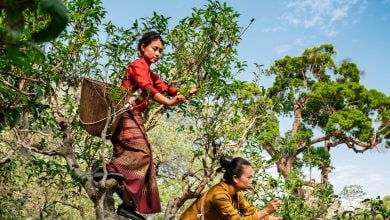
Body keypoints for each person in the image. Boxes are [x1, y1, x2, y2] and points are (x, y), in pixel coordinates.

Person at [103, 31, 196, 219]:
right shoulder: (137, 65)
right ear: (142, 47)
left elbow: (164, 87)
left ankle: (128, 205)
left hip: (134, 115)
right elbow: (148, 88)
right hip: (124, 113)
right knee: (142, 153)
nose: (158, 54)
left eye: (161, 51)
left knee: (146, 158)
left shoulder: (148, 70)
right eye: (155, 49)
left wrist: (186, 91)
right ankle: (106, 170)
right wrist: (169, 102)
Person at [180, 156, 282, 220]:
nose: (252, 180)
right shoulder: (219, 195)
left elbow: (251, 211)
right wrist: (265, 211)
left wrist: (271, 218)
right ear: (235, 178)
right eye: (249, 177)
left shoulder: (235, 194)